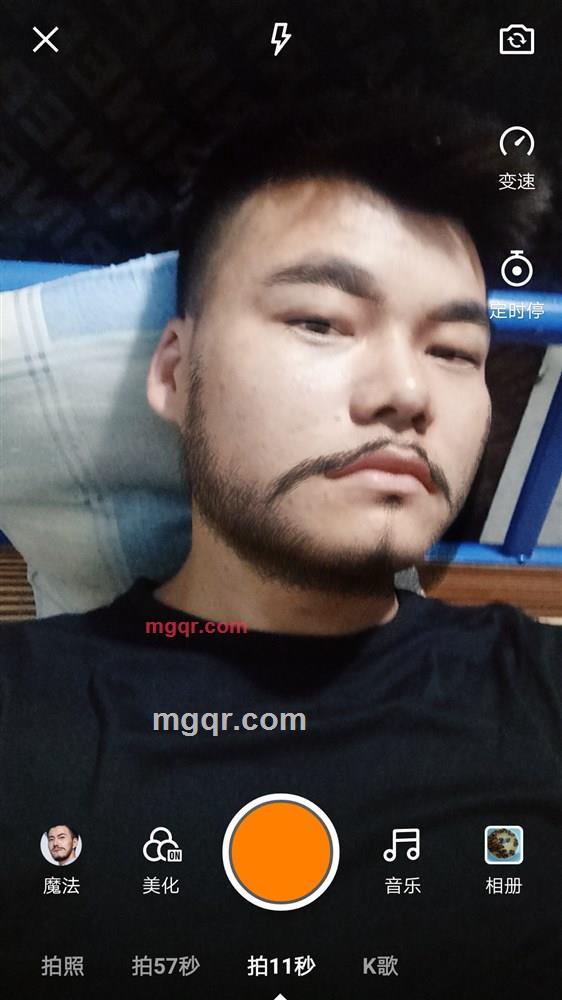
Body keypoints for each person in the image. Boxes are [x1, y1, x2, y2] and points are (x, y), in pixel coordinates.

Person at [0, 87, 560, 997]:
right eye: (320, 321)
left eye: (455, 351)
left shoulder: (536, 690)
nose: (406, 392)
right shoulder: (27, 707)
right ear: (175, 372)